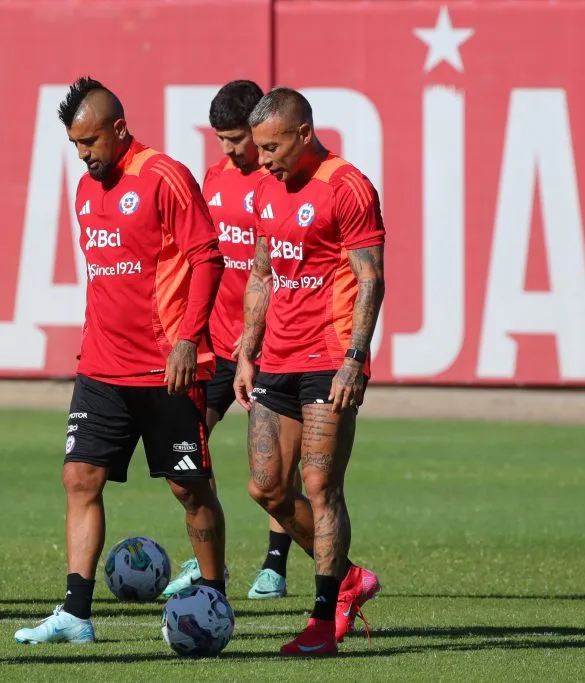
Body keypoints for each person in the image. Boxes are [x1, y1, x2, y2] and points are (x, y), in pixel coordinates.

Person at [14, 77, 227, 645]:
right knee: (80, 478)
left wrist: (188, 339)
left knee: (190, 489)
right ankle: (76, 613)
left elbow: (208, 258)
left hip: (166, 369)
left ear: (119, 129)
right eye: (75, 145)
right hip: (102, 368)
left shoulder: (163, 175)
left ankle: (213, 599)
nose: (83, 155)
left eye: (90, 142)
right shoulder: (88, 189)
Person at [234, 87, 383, 655]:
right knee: (267, 489)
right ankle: (346, 576)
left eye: (272, 147)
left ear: (303, 132)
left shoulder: (347, 187)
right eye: (258, 148)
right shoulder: (267, 189)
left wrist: (355, 358)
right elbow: (261, 274)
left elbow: (370, 278)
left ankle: (323, 622)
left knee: (322, 487)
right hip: (278, 356)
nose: (263, 158)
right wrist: (247, 350)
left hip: (331, 356)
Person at [162, 80, 294, 602]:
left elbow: (281, 269)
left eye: (237, 137)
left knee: (276, 467)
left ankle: (275, 566)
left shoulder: (280, 181)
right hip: (217, 346)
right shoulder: (213, 178)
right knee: (188, 459)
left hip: (270, 345)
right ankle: (206, 558)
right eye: (221, 139)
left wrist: (258, 338)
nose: (230, 150)